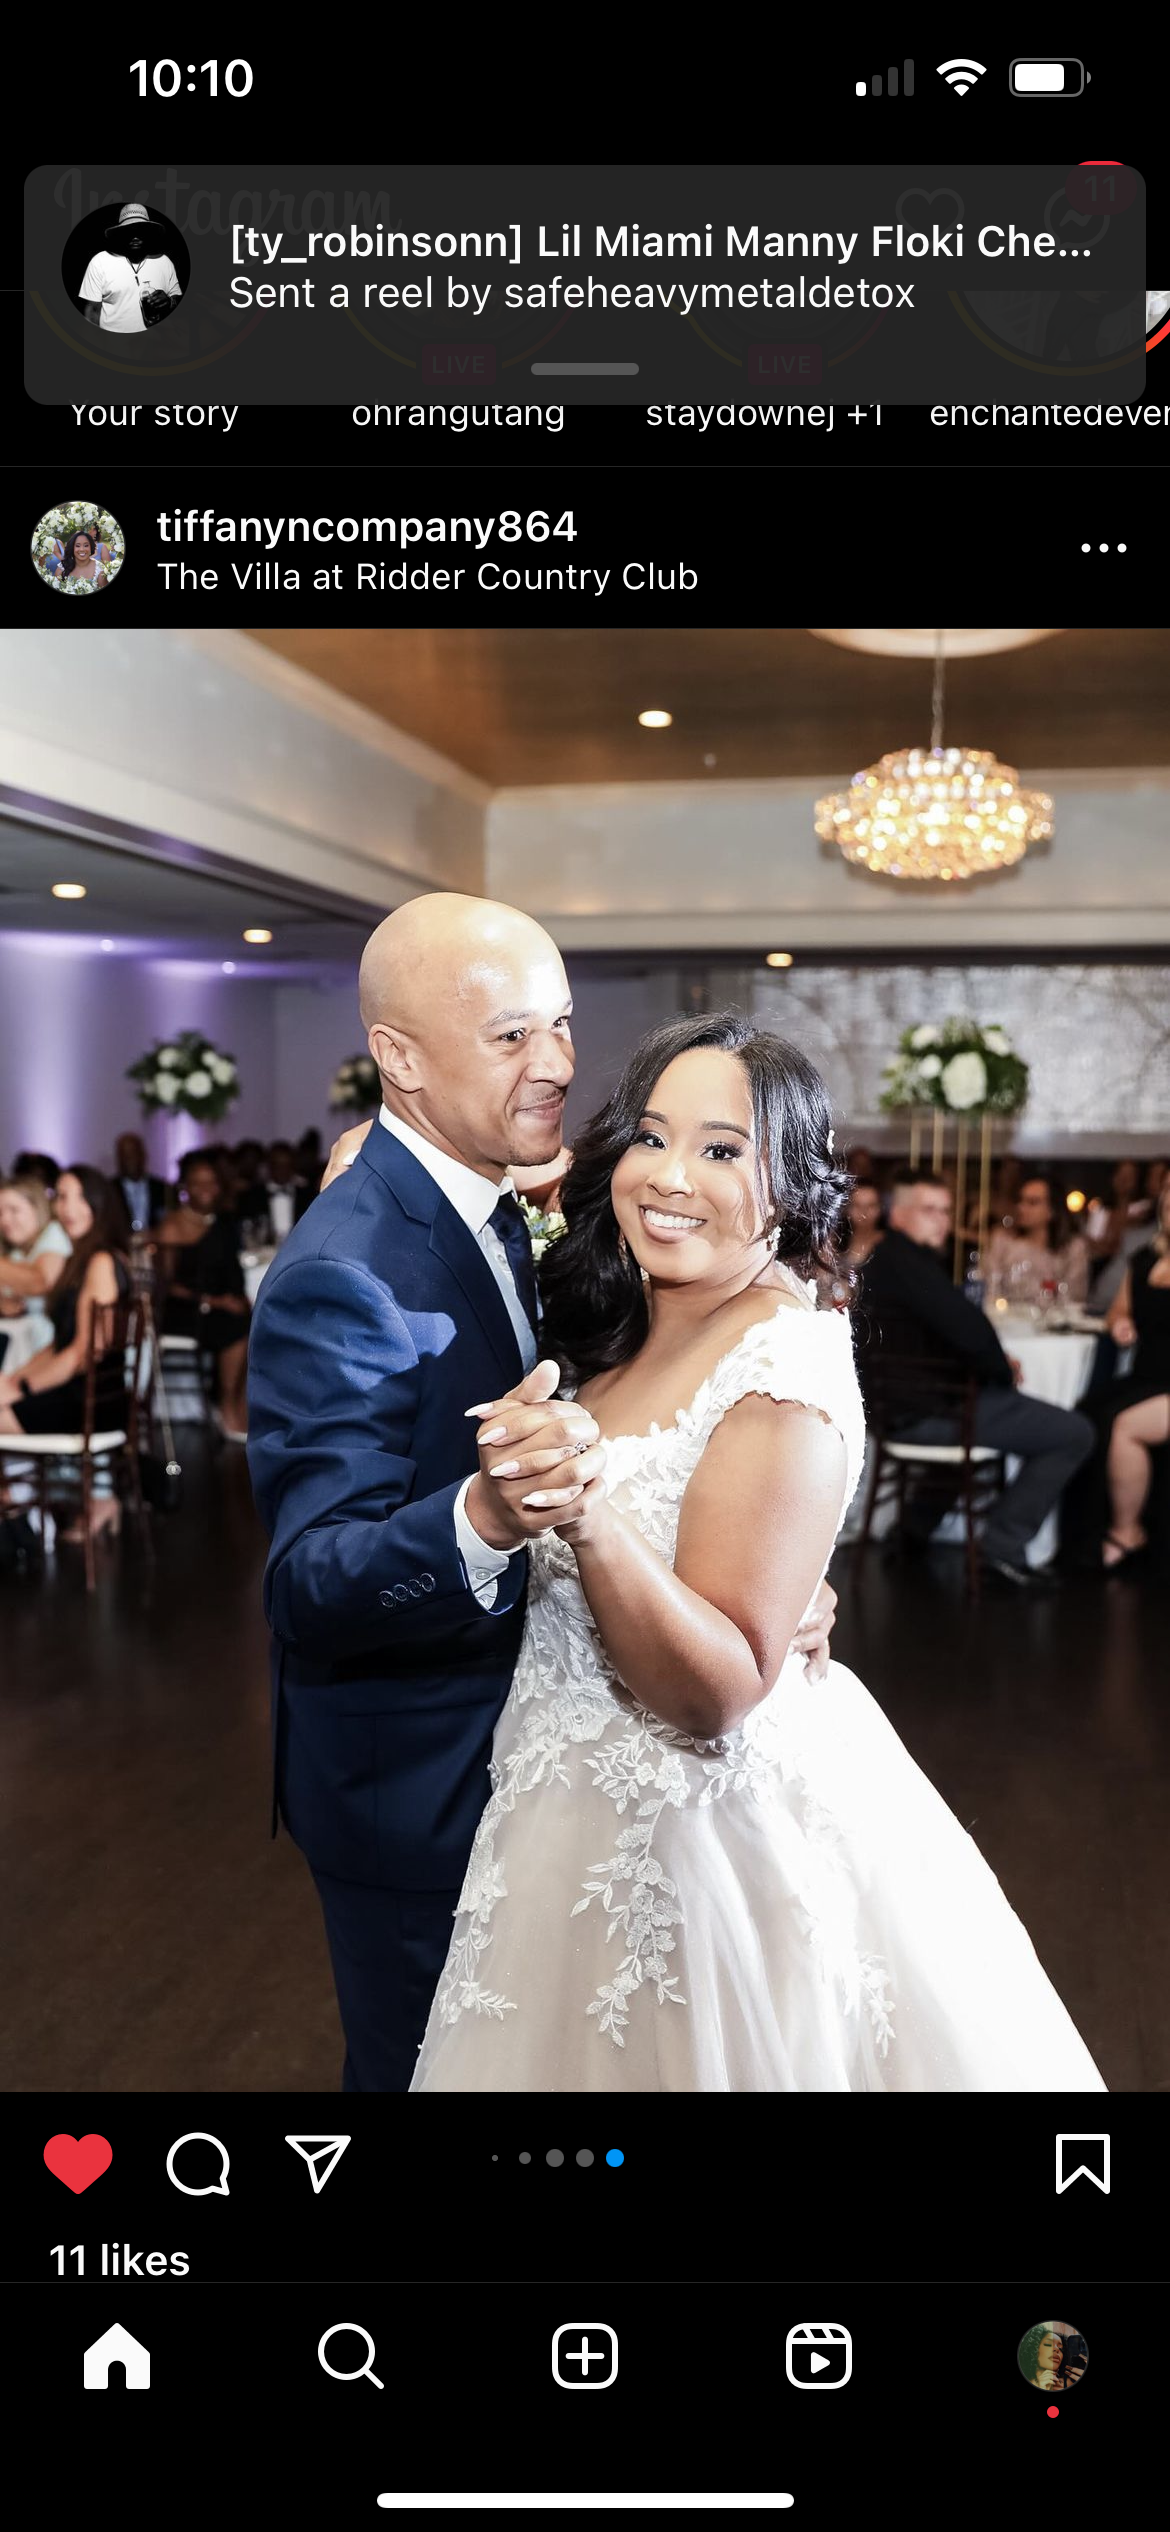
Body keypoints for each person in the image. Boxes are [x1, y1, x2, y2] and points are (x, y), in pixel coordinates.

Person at [409, 1015, 1103, 2092]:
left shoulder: (782, 1364)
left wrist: (588, 1512)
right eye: (650, 1136)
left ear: (790, 1186)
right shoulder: (636, 1309)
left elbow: (719, 1691)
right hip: (565, 1819)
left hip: (695, 1845)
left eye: (724, 1149)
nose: (671, 1175)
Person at [247, 896, 841, 2095]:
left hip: (560, 1779)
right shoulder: (346, 1274)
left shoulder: (510, 1201)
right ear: (400, 1059)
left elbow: (663, 1426)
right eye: (513, 1035)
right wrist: (484, 1517)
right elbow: (308, 1586)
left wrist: (770, 1575)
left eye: (563, 1027)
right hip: (423, 1797)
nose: (560, 1064)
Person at [859, 1169, 1095, 1585]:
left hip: (902, 1409)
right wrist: (1001, 1371)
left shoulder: (892, 1261)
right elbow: (972, 1334)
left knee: (977, 1407)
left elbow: (955, 1332)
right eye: (930, 1211)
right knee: (1074, 1433)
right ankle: (1002, 1548)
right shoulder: (910, 1266)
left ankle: (915, 1528)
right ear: (898, 1215)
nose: (943, 1220)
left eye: (946, 1211)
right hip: (926, 1415)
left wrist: (989, 1365)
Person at [0, 1167, 130, 1544]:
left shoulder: (102, 1261)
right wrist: (12, 1381)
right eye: (60, 1196)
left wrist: (21, 1387)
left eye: (76, 1196)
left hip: (89, 1400)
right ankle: (24, 1507)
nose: (66, 1208)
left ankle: (24, 1515)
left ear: (97, 1202)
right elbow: (59, 1345)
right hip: (87, 1394)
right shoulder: (86, 1258)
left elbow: (81, 1356)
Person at [1099, 1177, 1170, 1567]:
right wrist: (1120, 1321)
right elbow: (1118, 1309)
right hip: (1146, 1377)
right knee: (1091, 1414)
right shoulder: (1145, 1257)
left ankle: (1128, 1531)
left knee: (1126, 1425)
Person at [155, 1153, 251, 1437]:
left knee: (260, 1320)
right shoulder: (173, 1226)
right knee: (236, 1327)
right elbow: (166, 1285)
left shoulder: (224, 1222)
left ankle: (241, 1402)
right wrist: (214, 1301)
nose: (205, 1189)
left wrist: (238, 1299)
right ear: (185, 1187)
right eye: (197, 1183)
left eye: (211, 1183)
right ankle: (225, 1405)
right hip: (184, 1309)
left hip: (220, 1304)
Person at [0, 1175, 72, 1371]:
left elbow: (41, 1281)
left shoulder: (53, 1234)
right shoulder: (16, 1254)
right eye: (0, 1213)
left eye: (14, 1210)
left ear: (37, 1208)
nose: (5, 1220)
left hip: (54, 1350)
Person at [985, 1172, 1090, 1306]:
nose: (1022, 1208)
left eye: (1032, 1202)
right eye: (1021, 1201)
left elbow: (1075, 1296)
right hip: (1008, 1319)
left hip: (1055, 1321)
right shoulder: (1002, 1241)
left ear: (1052, 1209)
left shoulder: (1073, 1248)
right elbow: (989, 1287)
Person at [78, 204, 182, 334]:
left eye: (141, 229)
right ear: (120, 233)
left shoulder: (164, 262)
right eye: (129, 229)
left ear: (149, 231)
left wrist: (169, 301)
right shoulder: (100, 261)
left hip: (155, 346)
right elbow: (92, 311)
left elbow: (177, 298)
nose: (135, 236)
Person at [112, 1131, 170, 1235]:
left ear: (143, 1155)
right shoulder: (109, 1190)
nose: (129, 1159)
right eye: (124, 1155)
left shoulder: (163, 1188)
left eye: (133, 1153)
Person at [841, 1177, 883, 1270]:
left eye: (870, 1206)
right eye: (857, 1205)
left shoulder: (891, 1246)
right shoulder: (837, 1244)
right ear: (848, 1209)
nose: (863, 1212)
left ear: (879, 1208)